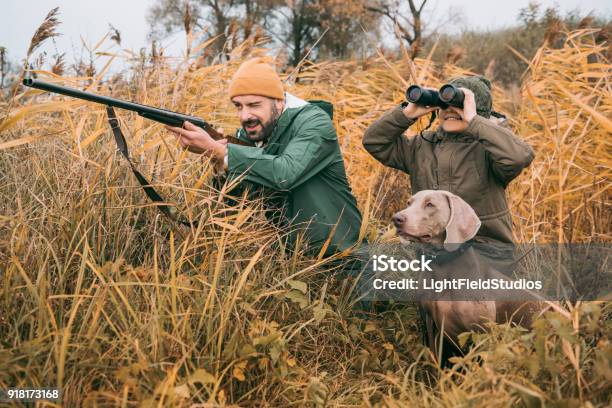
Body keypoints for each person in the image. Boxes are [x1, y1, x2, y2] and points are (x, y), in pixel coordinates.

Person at [166, 58, 363, 257]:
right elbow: (235, 209)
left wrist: (223, 152)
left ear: (279, 102)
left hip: (342, 258)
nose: (244, 116)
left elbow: (285, 174)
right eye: (238, 106)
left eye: (254, 105)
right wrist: (218, 162)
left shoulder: (314, 123)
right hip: (291, 262)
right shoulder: (251, 133)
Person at [362, 75, 534, 247]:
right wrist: (406, 114)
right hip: (430, 252)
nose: (451, 110)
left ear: (477, 111)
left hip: (483, 253)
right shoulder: (421, 146)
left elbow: (519, 156)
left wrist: (474, 121)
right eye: (445, 105)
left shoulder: (488, 150)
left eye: (459, 106)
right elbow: (375, 142)